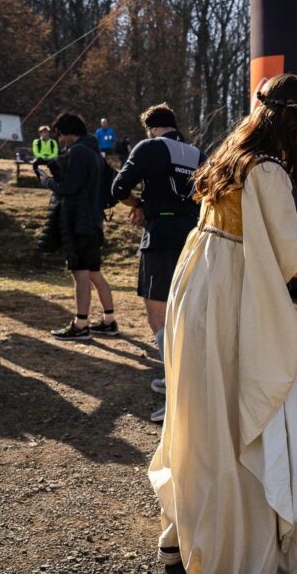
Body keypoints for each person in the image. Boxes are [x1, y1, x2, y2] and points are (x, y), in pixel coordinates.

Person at [147, 73, 297, 572]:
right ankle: (241, 544)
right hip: (235, 298)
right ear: (289, 119)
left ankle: (184, 534)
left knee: (203, 414)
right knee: (246, 416)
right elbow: (288, 261)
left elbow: (254, 233)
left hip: (199, 288)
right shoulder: (269, 169)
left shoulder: (230, 157)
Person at [111, 103, 206, 423]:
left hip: (161, 236)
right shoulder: (198, 153)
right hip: (195, 237)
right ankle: (177, 376)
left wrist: (140, 204)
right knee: (186, 314)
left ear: (151, 128)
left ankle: (179, 395)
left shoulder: (149, 146)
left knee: (159, 314)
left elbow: (118, 188)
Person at [38, 113, 117, 340]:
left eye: (60, 135)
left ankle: (81, 325)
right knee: (94, 272)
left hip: (80, 221)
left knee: (80, 273)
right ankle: (109, 321)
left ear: (68, 132)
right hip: (94, 219)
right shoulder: (95, 152)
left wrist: (47, 181)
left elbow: (68, 187)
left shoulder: (78, 151)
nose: (60, 140)